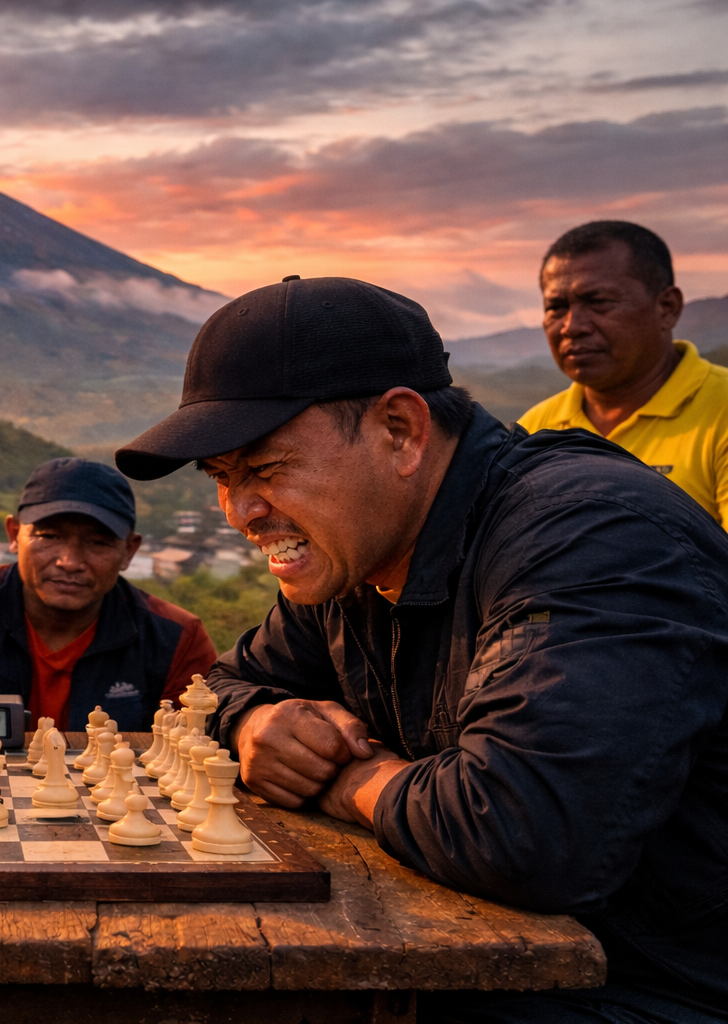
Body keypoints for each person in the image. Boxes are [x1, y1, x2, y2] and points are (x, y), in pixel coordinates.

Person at [116, 276, 728, 1023]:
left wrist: (352, 783)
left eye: (267, 470)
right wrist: (251, 724)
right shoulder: (349, 561)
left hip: (653, 988)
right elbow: (213, 691)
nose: (240, 512)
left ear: (400, 431)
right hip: (481, 965)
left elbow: (524, 833)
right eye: (222, 478)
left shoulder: (592, 538)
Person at [0, 457, 217, 730]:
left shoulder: (176, 639)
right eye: (49, 536)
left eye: (97, 542)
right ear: (14, 535)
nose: (70, 561)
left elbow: (197, 755)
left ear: (129, 551)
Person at [518, 221, 728, 525]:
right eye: (556, 307)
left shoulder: (720, 410)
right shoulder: (534, 431)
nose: (572, 326)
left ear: (667, 308)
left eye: (598, 302)